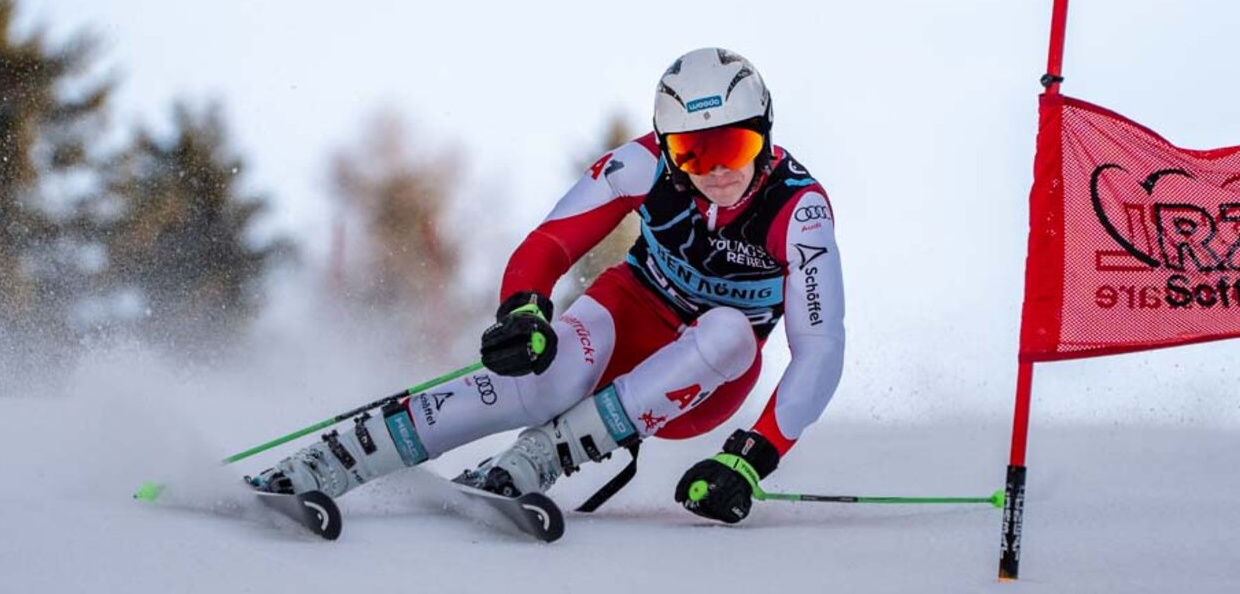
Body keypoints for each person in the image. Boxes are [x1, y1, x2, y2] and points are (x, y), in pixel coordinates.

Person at [250, 47, 844, 524]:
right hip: (628, 314)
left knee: (731, 330)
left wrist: (752, 457)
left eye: (734, 146)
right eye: (692, 151)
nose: (715, 170)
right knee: (545, 380)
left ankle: (536, 460)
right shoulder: (641, 165)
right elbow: (551, 243)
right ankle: (332, 460)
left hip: (704, 385)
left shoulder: (800, 212)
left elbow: (820, 348)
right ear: (666, 147)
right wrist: (523, 312)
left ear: (765, 134)